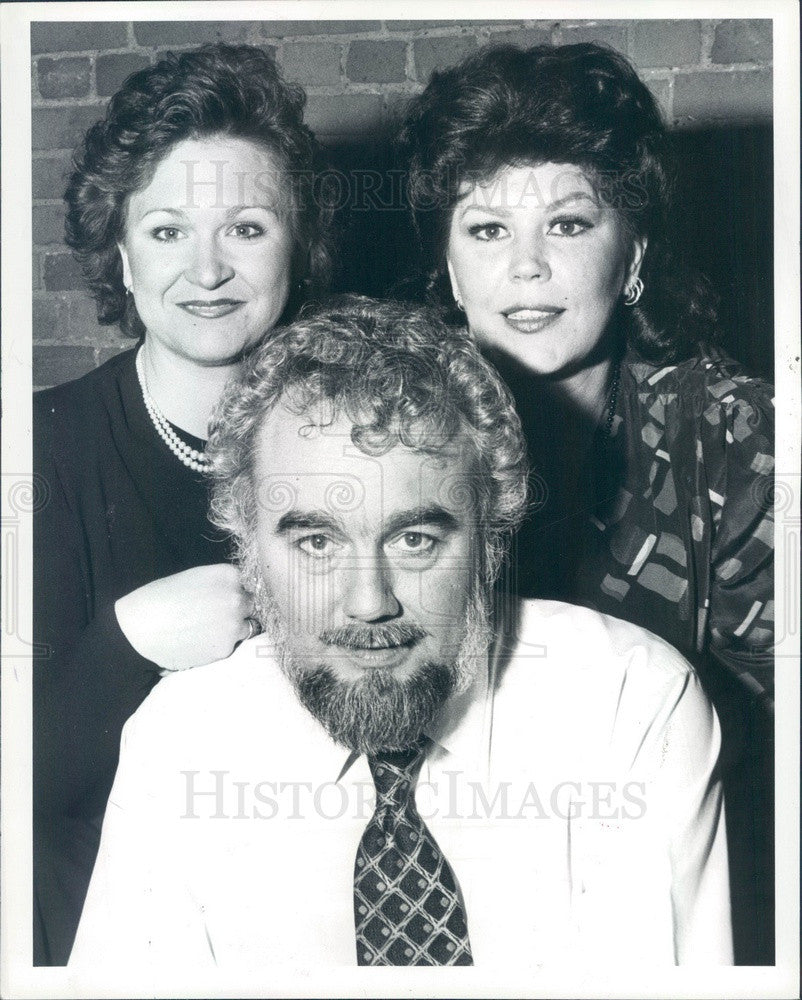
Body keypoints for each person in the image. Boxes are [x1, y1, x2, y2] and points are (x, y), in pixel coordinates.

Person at [69, 297, 732, 977]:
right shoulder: (180, 743)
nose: (369, 603)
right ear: (249, 551)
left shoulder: (631, 707)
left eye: (415, 540)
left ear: (492, 538)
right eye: (317, 542)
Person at [396, 43, 774, 962]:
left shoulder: (734, 437)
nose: (526, 269)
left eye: (567, 226)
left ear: (633, 252)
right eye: (487, 232)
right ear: (448, 268)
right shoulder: (392, 441)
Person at [32, 43, 332, 965]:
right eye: (166, 232)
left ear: (297, 245)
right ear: (119, 258)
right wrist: (127, 645)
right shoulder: (42, 453)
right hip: (102, 932)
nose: (205, 271)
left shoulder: (358, 433)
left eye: (245, 228)